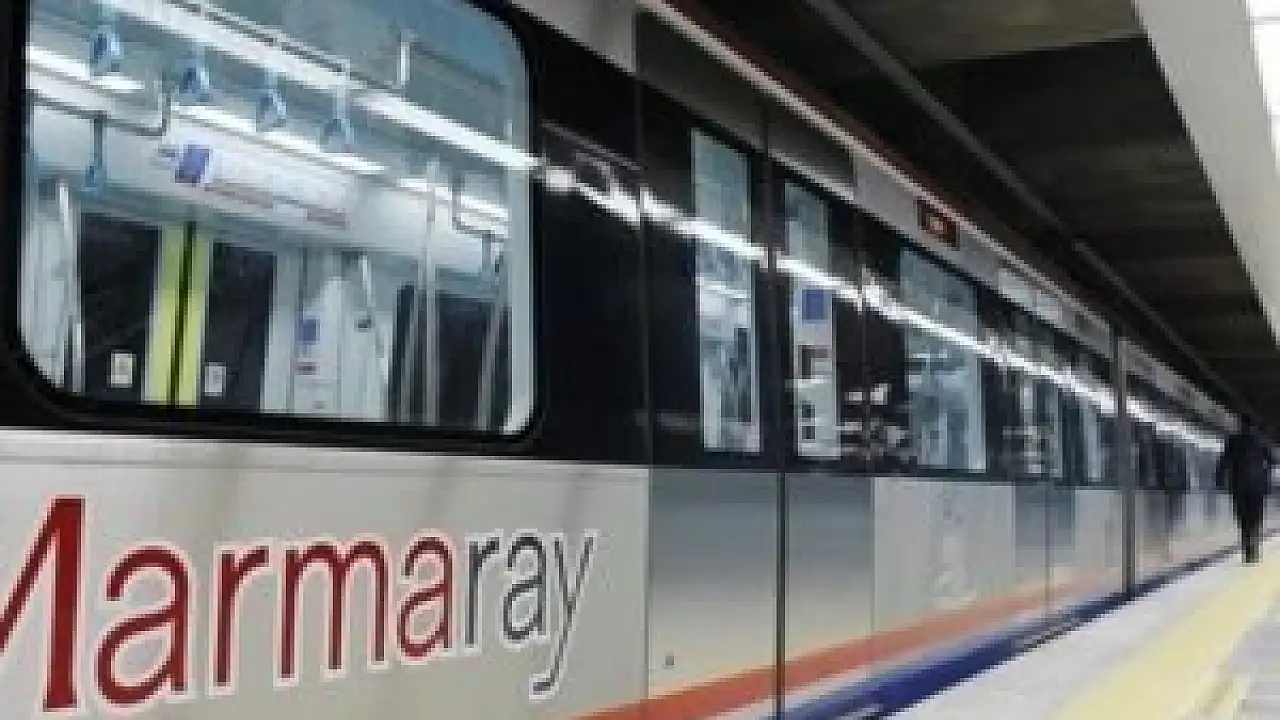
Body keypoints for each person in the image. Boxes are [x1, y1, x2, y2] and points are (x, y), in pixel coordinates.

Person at [1215, 415, 1274, 563]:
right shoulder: (1262, 441)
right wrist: (1266, 476)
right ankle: (1253, 546)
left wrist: (1219, 480)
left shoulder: (1233, 441)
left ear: (1240, 424)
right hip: (1258, 485)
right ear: (1254, 426)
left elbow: (1224, 462)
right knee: (1255, 516)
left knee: (1243, 517)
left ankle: (1247, 546)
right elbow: (1272, 461)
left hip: (1239, 485)